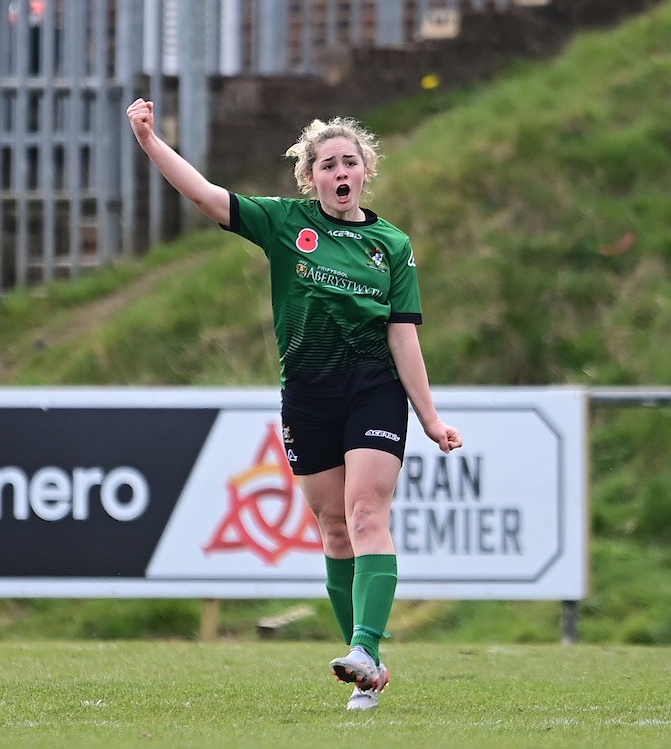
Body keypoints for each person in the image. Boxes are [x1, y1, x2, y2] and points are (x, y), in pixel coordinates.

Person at [126, 99, 463, 711]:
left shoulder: (391, 244)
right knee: (334, 528)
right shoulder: (285, 223)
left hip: (372, 389)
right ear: (310, 177)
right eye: (327, 164)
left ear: (365, 171)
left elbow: (403, 336)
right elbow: (206, 197)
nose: (340, 171)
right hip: (307, 394)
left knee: (366, 515)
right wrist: (150, 142)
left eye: (349, 161)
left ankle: (364, 647)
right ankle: (368, 669)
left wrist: (430, 417)